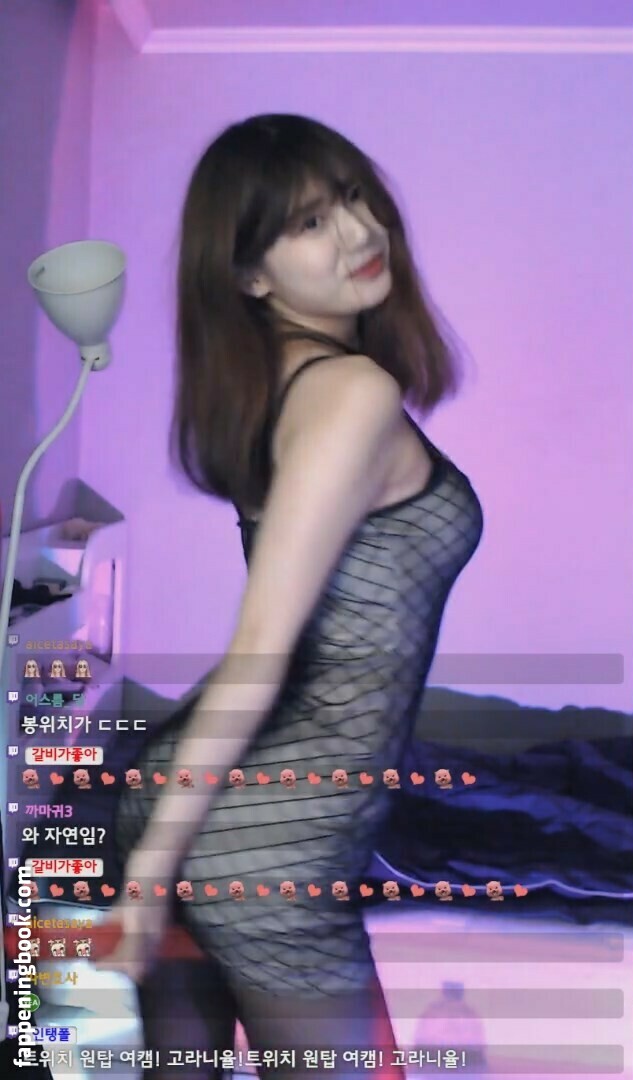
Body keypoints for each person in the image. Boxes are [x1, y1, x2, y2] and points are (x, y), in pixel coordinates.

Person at [96, 114, 483, 1079]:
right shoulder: (349, 393)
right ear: (249, 276)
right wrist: (150, 879)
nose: (358, 232)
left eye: (353, 198)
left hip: (211, 804)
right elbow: (262, 646)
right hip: (271, 842)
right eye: (310, 223)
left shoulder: (269, 382)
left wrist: (156, 856)